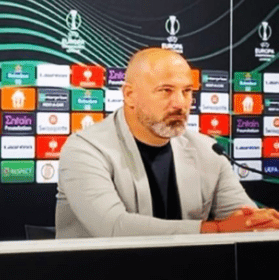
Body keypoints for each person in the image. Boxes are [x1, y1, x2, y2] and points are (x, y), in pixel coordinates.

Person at [56, 48, 279, 237]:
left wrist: (257, 221)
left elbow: (242, 217)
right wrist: (217, 229)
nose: (180, 104)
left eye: (187, 91)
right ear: (130, 95)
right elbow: (114, 227)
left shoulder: (208, 150)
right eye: (166, 90)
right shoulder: (84, 149)